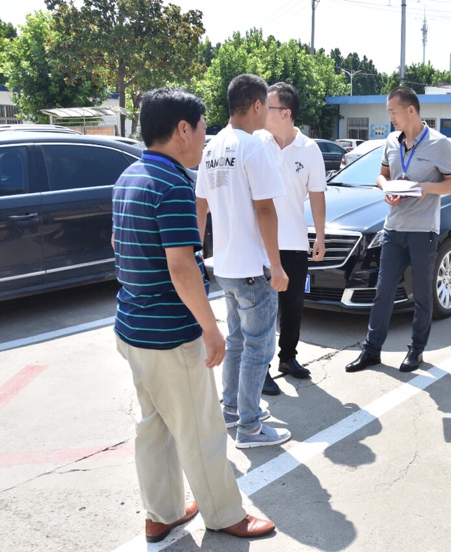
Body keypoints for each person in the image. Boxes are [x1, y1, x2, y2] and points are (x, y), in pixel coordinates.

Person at [113, 87, 275, 541]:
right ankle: (224, 514)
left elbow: (119, 246)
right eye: (203, 128)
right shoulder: (173, 185)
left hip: (132, 327)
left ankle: (161, 512)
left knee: (154, 426)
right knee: (201, 429)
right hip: (170, 333)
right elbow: (182, 268)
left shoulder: (129, 176)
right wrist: (210, 328)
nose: (206, 137)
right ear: (182, 129)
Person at [195, 74, 291, 449]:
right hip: (253, 268)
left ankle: (233, 409)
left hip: (226, 266)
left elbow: (201, 205)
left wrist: (199, 252)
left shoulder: (212, 147)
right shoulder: (253, 147)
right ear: (256, 105)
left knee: (237, 341)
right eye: (266, 106)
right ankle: (249, 427)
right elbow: (265, 210)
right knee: (258, 347)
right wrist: (277, 265)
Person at [345, 87, 451, 373]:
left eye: (393, 112)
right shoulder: (391, 141)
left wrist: (426, 188)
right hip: (394, 228)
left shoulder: (439, 144)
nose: (390, 117)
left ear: (410, 110)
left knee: (421, 295)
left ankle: (416, 350)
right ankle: (371, 350)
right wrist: (387, 188)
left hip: (423, 231)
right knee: (383, 292)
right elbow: (382, 176)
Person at [254, 82, 327, 393]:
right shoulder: (256, 142)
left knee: (293, 305)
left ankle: (288, 358)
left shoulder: (309, 150)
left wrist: (320, 236)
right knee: (263, 310)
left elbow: (317, 195)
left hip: (295, 241)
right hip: (259, 244)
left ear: (285, 113)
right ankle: (261, 368)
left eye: (267, 106)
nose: (260, 110)